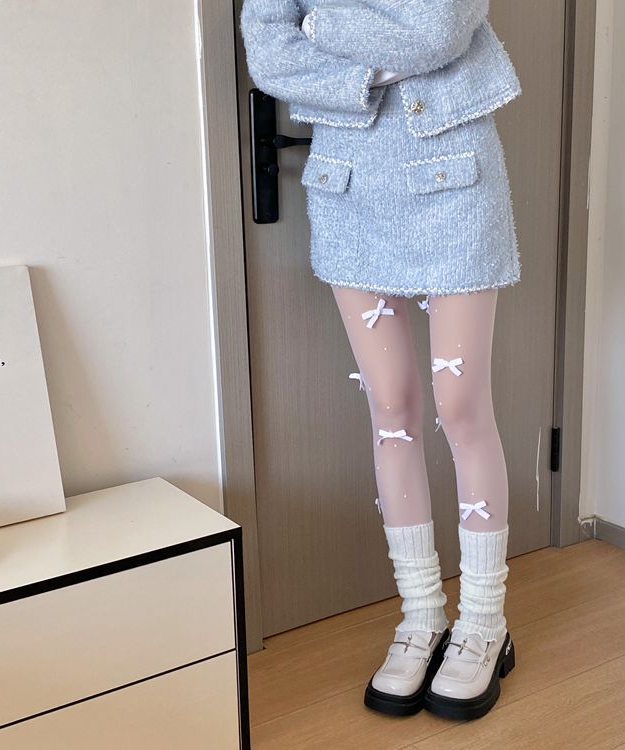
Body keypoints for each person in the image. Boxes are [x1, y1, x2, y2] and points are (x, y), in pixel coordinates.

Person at [240, 0, 521, 722]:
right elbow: (269, 55)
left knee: (461, 408)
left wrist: (322, 28)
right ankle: (421, 613)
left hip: (457, 178)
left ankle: (484, 621)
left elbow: (438, 30)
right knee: (391, 410)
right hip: (348, 187)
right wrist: (377, 56)